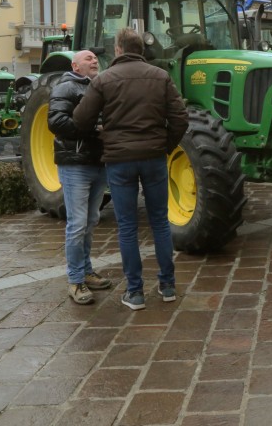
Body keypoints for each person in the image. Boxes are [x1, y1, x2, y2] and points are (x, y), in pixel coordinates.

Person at [73, 28, 188, 311]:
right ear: (141, 49)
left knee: (127, 227)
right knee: (160, 222)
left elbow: (81, 120)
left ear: (119, 49)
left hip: (120, 160)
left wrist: (104, 134)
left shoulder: (103, 80)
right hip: (153, 157)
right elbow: (180, 119)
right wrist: (164, 146)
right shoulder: (160, 76)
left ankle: (135, 293)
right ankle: (167, 285)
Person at [48, 50, 111, 305]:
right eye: (88, 58)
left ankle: (86, 270)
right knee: (76, 225)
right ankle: (75, 281)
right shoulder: (66, 86)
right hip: (76, 164)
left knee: (91, 219)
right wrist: (94, 131)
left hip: (98, 162)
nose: (94, 60)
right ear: (75, 65)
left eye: (95, 58)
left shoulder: (99, 86)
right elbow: (56, 121)